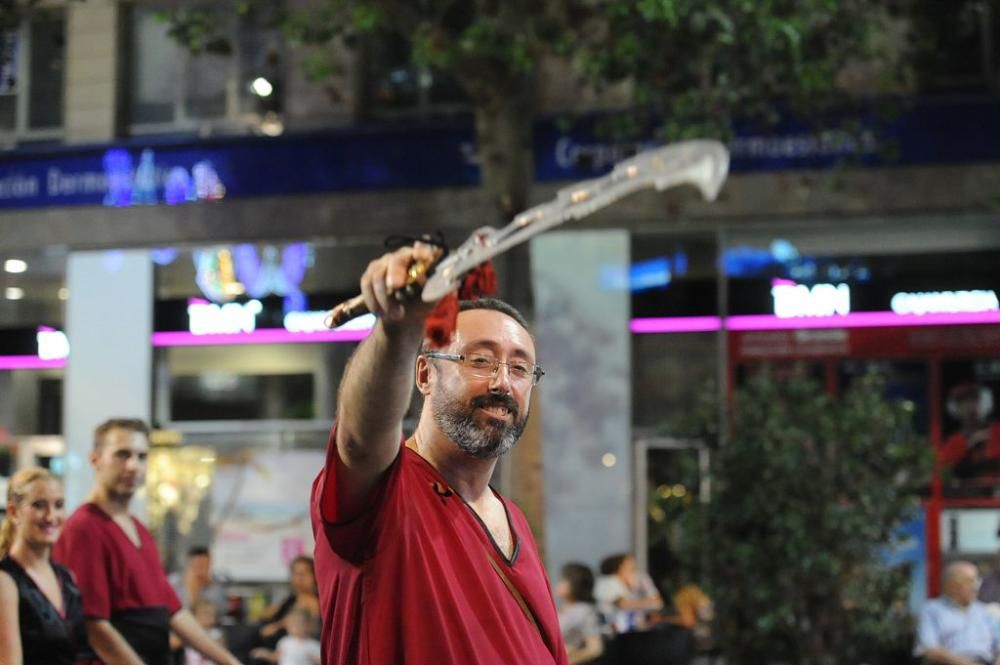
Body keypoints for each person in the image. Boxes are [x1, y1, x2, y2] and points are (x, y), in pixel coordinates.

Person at [311, 243, 568, 664]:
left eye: (520, 368)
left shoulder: (512, 517)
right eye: (479, 359)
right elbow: (360, 440)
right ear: (426, 373)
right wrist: (397, 332)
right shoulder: (385, 494)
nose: (502, 383)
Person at [53, 417, 245, 665]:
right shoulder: (84, 526)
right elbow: (94, 626)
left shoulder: (139, 530)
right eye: (122, 455)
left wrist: (230, 662)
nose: (133, 466)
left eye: (142, 456)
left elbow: (174, 611)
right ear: (95, 459)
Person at [0, 467, 86, 665]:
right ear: (14, 512)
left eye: (59, 505)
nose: (50, 516)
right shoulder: (5, 582)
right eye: (39, 505)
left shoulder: (66, 578)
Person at [916, 560, 999, 665]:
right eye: (970, 581)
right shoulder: (932, 610)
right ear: (952, 586)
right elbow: (929, 649)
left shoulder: (983, 611)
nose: (976, 587)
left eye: (977, 581)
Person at [253, 555, 321, 657]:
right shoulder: (289, 600)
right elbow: (266, 626)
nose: (299, 578)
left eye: (304, 573)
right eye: (296, 574)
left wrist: (283, 624)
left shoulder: (320, 602)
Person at [941, 383, 1000, 479]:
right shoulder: (953, 443)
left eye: (974, 400)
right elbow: (945, 475)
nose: (970, 406)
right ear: (954, 409)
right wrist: (969, 446)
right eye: (963, 402)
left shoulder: (997, 431)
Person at [594, 553, 664, 633]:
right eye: (632, 568)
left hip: (632, 633)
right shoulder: (606, 582)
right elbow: (623, 604)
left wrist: (645, 584)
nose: (636, 573)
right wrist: (648, 601)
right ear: (620, 568)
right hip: (610, 634)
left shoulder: (637, 583)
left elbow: (658, 603)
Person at [557, 562, 605, 665]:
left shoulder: (584, 611)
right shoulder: (561, 609)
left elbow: (594, 648)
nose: (559, 584)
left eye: (563, 580)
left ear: (575, 583)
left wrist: (568, 661)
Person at [251, 607, 321, 665]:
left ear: (308, 625)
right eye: (292, 623)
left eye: (299, 623)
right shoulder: (285, 642)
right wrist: (265, 654)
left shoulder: (313, 645)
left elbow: (321, 661)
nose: (295, 626)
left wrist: (313, 660)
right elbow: (276, 657)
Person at [185, 598, 227, 665]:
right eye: (205, 614)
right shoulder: (185, 635)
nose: (210, 619)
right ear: (193, 616)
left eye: (212, 615)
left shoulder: (216, 635)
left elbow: (223, 655)